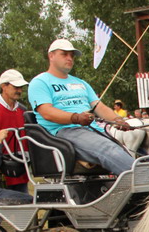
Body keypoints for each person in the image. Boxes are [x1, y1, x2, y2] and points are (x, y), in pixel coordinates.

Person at [27, 38, 134, 176]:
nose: (69, 58)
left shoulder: (80, 83)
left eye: (72, 55)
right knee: (109, 149)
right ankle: (147, 181)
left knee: (124, 152)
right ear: (51, 56)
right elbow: (47, 112)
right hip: (64, 131)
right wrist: (76, 118)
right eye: (64, 54)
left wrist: (117, 119)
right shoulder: (40, 82)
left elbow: (99, 107)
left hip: (91, 130)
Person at [0, 69, 31, 194]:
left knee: (25, 202)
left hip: (21, 168)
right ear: (4, 86)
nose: (19, 90)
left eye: (21, 87)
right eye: (16, 87)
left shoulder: (23, 110)